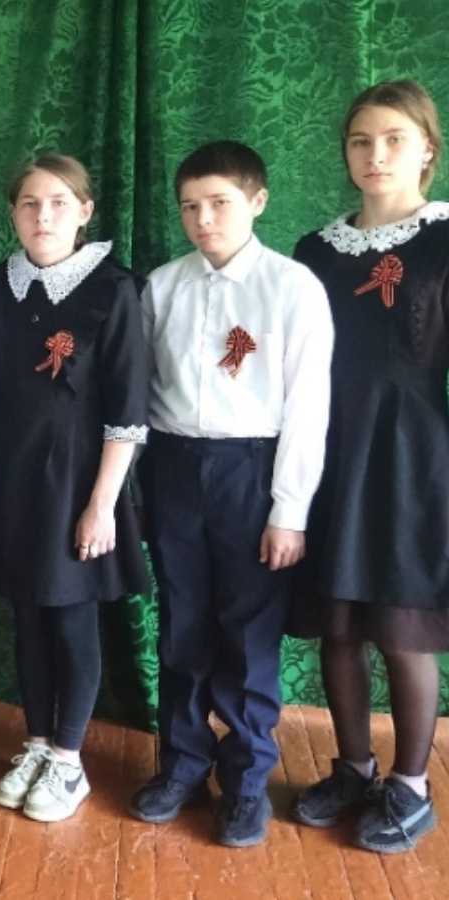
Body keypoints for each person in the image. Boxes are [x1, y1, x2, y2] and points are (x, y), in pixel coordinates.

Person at [130, 141, 333, 847]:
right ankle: (183, 765)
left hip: (252, 468)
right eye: (190, 206)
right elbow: (142, 394)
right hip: (175, 465)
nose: (204, 219)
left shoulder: (292, 287)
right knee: (182, 623)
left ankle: (246, 782)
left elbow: (308, 407)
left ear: (258, 201)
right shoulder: (163, 287)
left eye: (219, 202)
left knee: (249, 632)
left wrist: (289, 511)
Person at [0, 155, 151, 823]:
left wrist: (102, 505)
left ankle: (69, 759)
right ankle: (36, 742)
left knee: (70, 615)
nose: (44, 216)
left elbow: (128, 410)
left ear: (84, 211)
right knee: (27, 613)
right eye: (30, 204)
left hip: (77, 482)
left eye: (59, 203)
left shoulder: (115, 290)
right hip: (9, 479)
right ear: (13, 213)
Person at [289, 79, 446, 853]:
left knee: (402, 627)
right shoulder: (315, 251)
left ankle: (411, 785)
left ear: (427, 150)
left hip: (413, 458)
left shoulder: (445, 239)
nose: (375, 154)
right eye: (360, 141)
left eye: (392, 139)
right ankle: (353, 767)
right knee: (341, 625)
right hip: (328, 450)